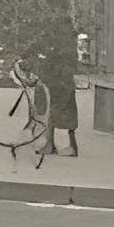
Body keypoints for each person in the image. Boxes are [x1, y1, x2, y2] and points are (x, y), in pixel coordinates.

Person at [39, 20, 80, 159]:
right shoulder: (69, 44)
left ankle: (50, 145)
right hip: (66, 83)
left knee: (53, 113)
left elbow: (57, 64)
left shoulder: (62, 46)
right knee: (69, 115)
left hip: (60, 84)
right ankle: (71, 147)